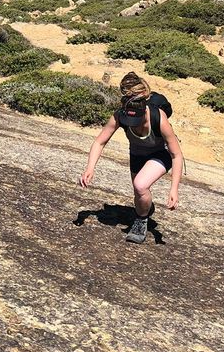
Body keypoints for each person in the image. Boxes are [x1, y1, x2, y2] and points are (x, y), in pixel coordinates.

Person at [79, 72, 184, 244]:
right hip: (137, 153)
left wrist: (174, 189)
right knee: (139, 193)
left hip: (161, 153)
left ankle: (141, 222)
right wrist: (90, 168)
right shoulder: (120, 115)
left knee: (140, 185)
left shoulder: (158, 118)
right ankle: (145, 209)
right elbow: (100, 141)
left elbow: (176, 155)